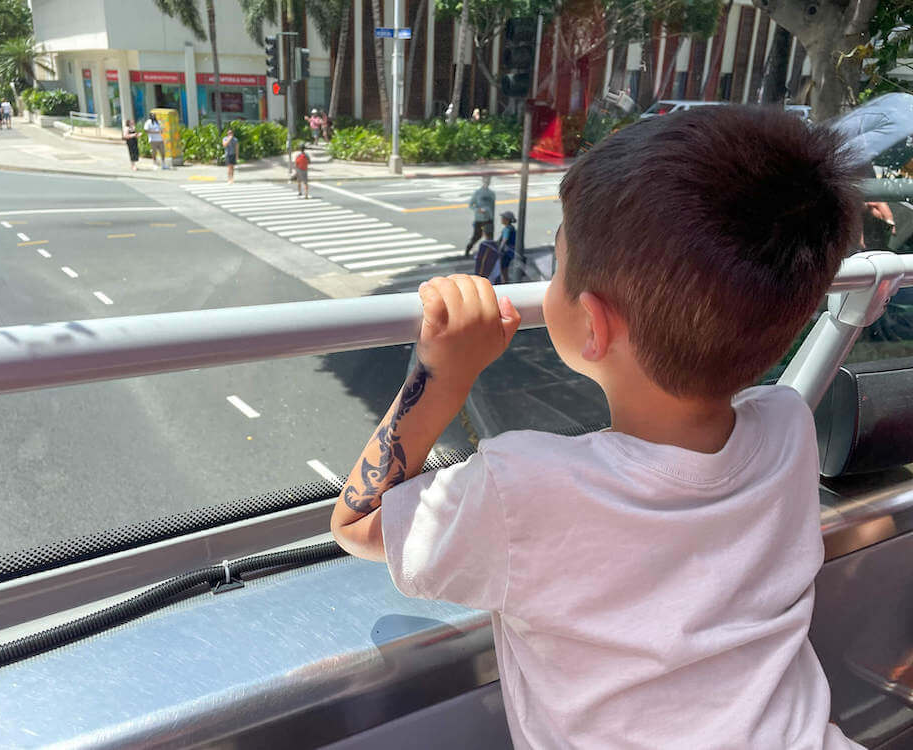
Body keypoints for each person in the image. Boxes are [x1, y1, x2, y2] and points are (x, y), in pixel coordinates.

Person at [329, 106, 865, 749]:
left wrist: (445, 375)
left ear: (594, 325)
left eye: (557, 267)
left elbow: (356, 525)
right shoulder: (786, 425)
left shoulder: (525, 488)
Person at [465, 175, 495, 256]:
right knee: (477, 236)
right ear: (482, 181)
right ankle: (468, 249)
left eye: (488, 180)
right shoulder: (477, 193)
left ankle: (489, 254)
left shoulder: (492, 193)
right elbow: (471, 205)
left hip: (489, 219)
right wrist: (478, 210)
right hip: (479, 219)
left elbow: (493, 207)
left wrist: (492, 219)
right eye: (485, 180)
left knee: (489, 238)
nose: (487, 181)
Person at [497, 210, 517, 283]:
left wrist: (499, 250)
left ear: (507, 220)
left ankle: (505, 282)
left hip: (506, 252)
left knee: (503, 269)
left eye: (503, 218)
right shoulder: (512, 228)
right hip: (510, 251)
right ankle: (506, 281)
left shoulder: (507, 229)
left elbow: (504, 240)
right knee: (505, 269)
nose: (501, 219)